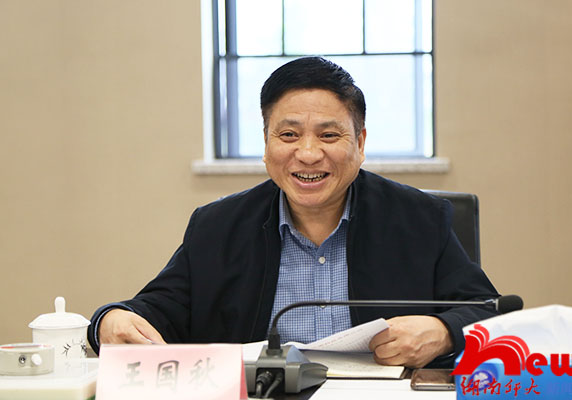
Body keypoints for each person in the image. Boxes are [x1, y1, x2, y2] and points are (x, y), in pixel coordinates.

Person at [88, 56, 499, 368]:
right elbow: (154, 311)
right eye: (288, 134)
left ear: (360, 143)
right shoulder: (216, 227)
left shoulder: (421, 219)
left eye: (329, 135)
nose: (307, 153)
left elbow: (490, 311)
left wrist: (445, 331)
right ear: (266, 144)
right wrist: (111, 319)